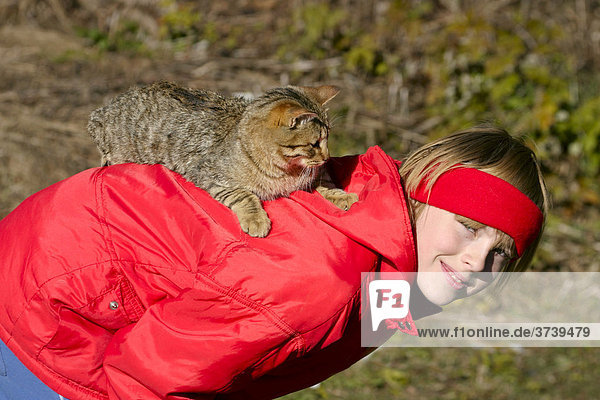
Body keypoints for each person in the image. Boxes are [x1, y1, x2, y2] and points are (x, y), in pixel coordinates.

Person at [0, 126, 548, 400]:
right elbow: (144, 384)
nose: (478, 260)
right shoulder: (322, 277)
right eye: (470, 228)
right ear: (423, 198)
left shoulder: (389, 254)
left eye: (503, 253)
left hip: (61, 263)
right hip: (51, 315)